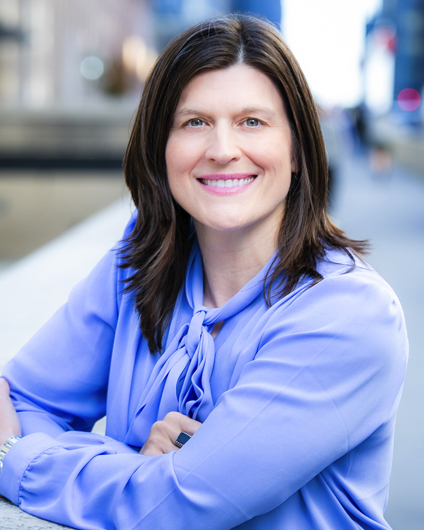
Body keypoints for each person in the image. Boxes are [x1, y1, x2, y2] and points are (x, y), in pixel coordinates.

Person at [0, 14, 407, 530]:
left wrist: (15, 457)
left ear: (299, 149)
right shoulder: (139, 264)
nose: (221, 150)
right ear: (160, 147)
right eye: (194, 122)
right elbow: (21, 398)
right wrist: (133, 469)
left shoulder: (348, 315)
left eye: (252, 122)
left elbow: (174, 507)